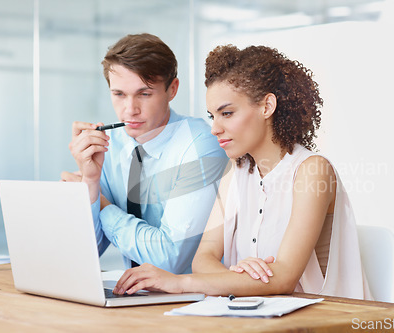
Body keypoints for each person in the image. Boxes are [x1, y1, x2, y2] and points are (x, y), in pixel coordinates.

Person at [112, 44, 373, 300]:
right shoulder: (236, 172)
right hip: (260, 319)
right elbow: (203, 259)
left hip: (327, 321)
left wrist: (179, 283)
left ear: (267, 106)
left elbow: (283, 278)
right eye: (213, 116)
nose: (215, 128)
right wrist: (240, 274)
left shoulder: (313, 170)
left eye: (227, 113)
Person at [62, 33, 228, 273]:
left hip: (196, 300)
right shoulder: (111, 144)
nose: (130, 110)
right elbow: (85, 255)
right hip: (136, 298)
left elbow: (170, 260)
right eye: (119, 94)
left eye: (144, 94)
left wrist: (103, 206)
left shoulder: (201, 145)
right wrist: (89, 183)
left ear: (172, 89)